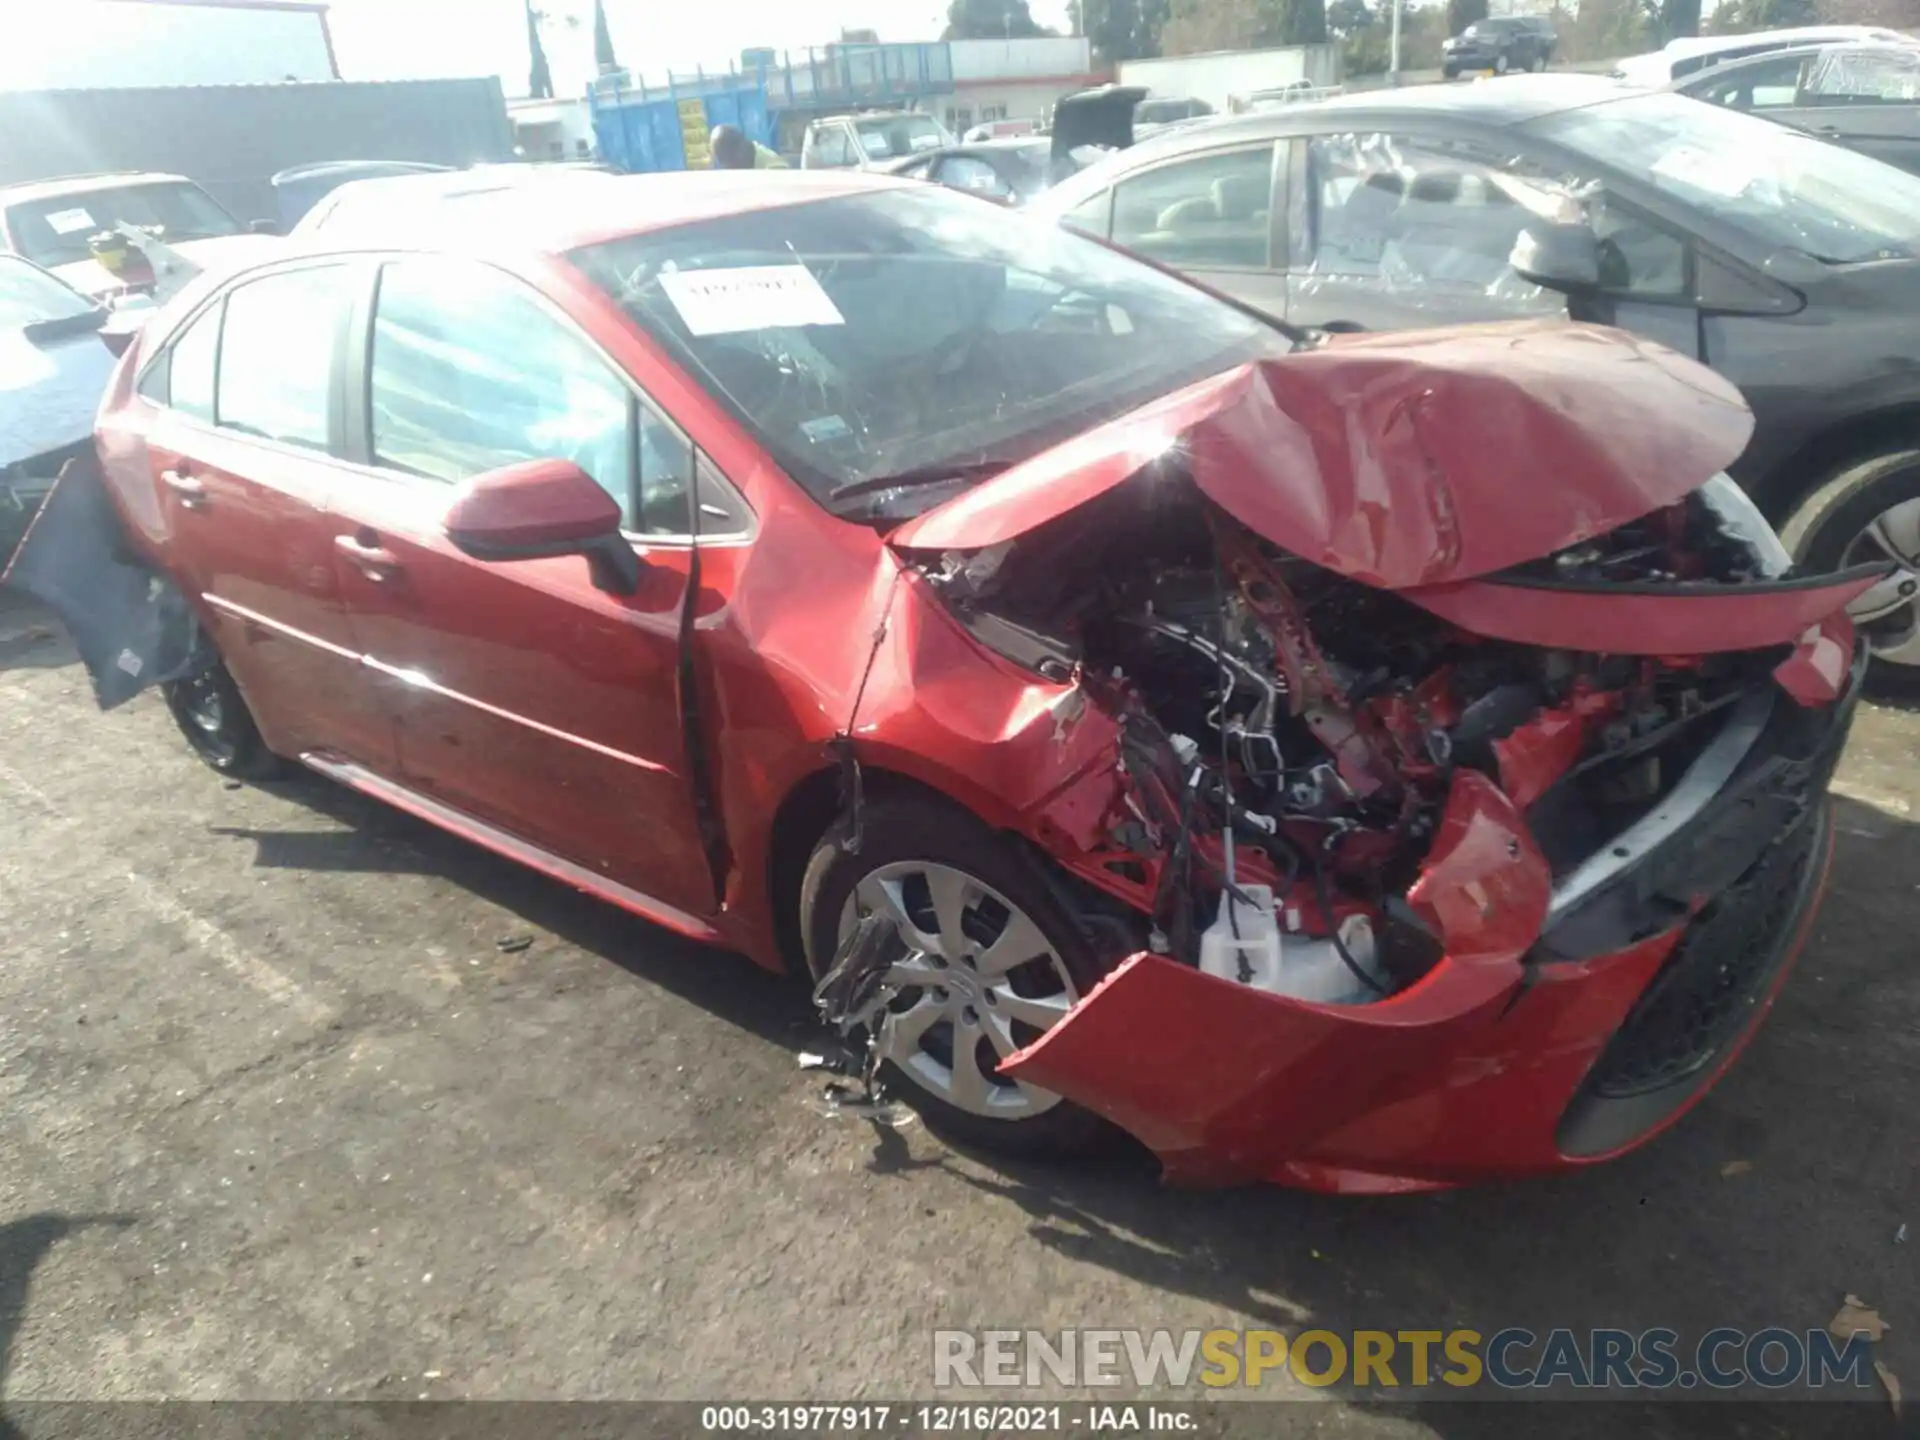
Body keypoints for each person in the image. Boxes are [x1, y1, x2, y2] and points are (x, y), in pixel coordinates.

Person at [709, 124, 788, 171]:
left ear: (740, 151)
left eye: (727, 161)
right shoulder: (742, 167)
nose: (726, 168)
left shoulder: (775, 169)